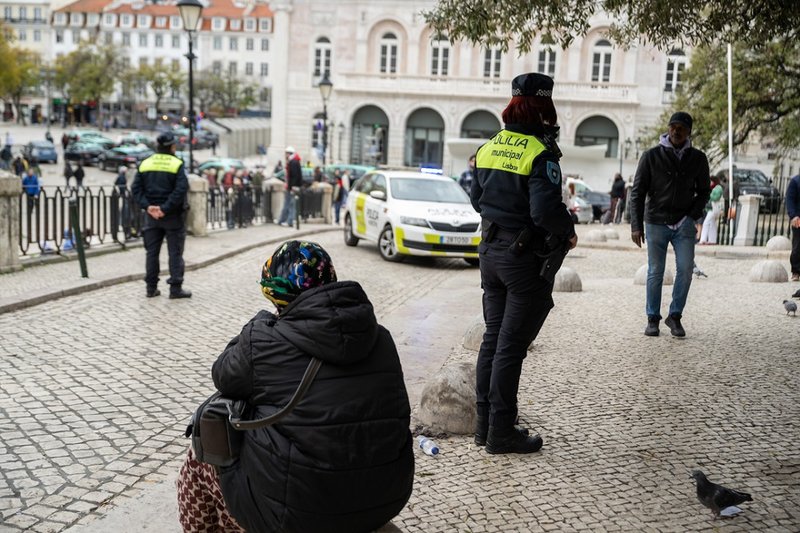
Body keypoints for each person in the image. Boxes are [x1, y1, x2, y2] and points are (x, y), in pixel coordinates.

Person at [176, 240, 414, 532]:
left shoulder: (263, 341)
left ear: (275, 295)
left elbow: (223, 375)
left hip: (298, 515)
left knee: (201, 454)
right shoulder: (382, 338)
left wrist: (258, 324)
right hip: (385, 496)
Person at [470, 73, 577, 454]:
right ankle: (501, 432)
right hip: (521, 260)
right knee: (510, 347)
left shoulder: (488, 147)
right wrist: (567, 230)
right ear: (542, 109)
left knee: (492, 340)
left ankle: (483, 426)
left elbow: (476, 200)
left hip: (490, 254)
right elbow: (544, 210)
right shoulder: (539, 153)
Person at [629, 112, 710, 337]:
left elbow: (704, 192)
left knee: (685, 269)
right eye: (673, 127)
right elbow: (637, 193)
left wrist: (692, 216)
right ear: (668, 129)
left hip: (683, 223)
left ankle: (675, 316)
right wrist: (636, 225)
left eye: (681, 128)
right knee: (656, 271)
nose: (676, 131)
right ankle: (652, 318)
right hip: (655, 221)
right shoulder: (651, 156)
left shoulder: (698, 158)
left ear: (688, 132)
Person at [131, 132, 191, 299]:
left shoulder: (145, 163)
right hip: (172, 216)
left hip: (151, 217)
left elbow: (136, 189)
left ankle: (151, 288)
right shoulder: (177, 163)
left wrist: (149, 207)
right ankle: (175, 289)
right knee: (175, 253)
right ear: (172, 146)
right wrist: (165, 208)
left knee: (151, 253)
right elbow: (181, 189)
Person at [276, 146, 302, 226]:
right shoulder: (294, 161)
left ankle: (288, 221)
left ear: (289, 154)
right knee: (289, 204)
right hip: (292, 186)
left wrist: (292, 187)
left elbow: (294, 176)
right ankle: (284, 220)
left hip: (291, 187)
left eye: (286, 153)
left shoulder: (293, 162)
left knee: (289, 204)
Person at [699, 175, 725, 244]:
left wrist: (708, 195)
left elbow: (716, 197)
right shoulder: (713, 188)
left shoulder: (718, 188)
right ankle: (712, 240)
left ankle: (703, 240)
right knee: (712, 224)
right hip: (713, 208)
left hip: (714, 209)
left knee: (706, 223)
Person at [786, 172, 800, 282]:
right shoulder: (795, 181)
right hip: (798, 219)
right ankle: (796, 271)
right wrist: (793, 215)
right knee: (797, 246)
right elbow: (790, 200)